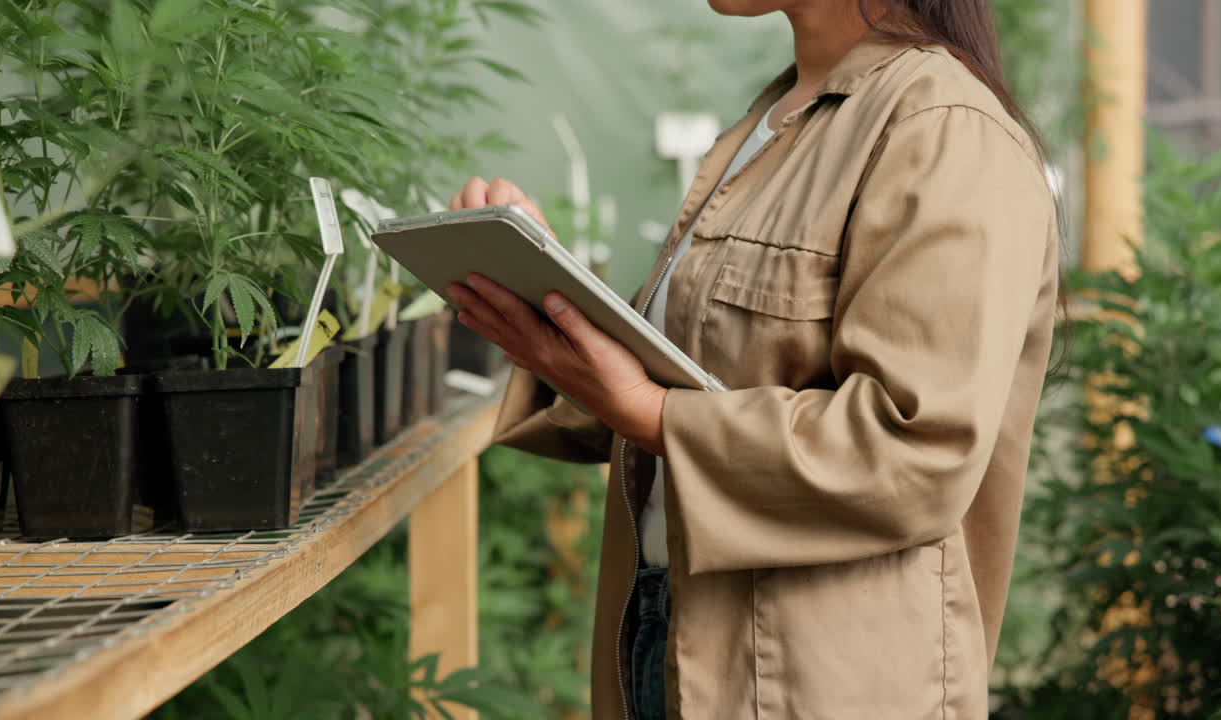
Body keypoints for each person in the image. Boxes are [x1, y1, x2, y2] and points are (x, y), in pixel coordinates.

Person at [443, 0, 1061, 717]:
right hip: (668, 633)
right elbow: (692, 370)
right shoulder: (775, 118)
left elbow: (915, 449)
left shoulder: (944, 128)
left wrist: (651, 414)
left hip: (823, 683)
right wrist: (549, 305)